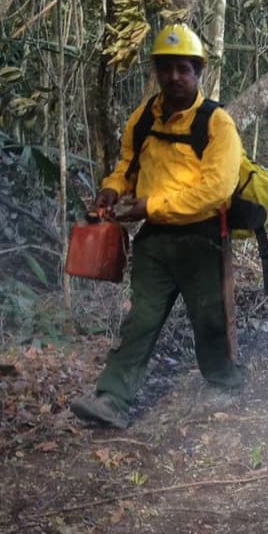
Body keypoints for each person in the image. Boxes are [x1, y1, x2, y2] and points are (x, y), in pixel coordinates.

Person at [70, 24, 245, 430]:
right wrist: (112, 191)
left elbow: (216, 191)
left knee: (210, 320)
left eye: (183, 69)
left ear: (198, 71)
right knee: (140, 320)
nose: (174, 78)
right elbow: (126, 168)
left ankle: (227, 386)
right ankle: (111, 399)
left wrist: (150, 205)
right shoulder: (143, 118)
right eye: (166, 69)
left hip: (202, 239)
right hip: (154, 241)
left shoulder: (217, 124)